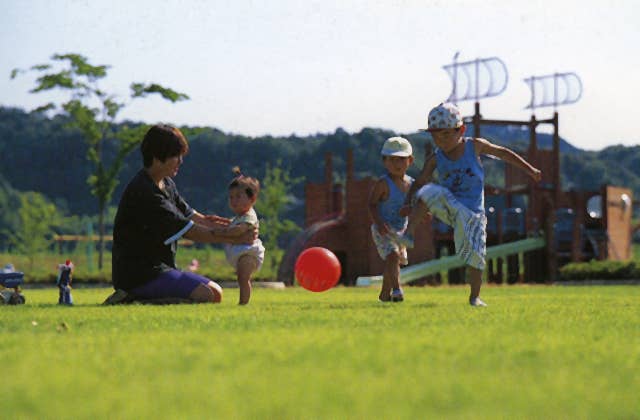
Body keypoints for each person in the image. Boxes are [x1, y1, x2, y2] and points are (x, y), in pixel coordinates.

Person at [397, 102, 542, 306]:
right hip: (450, 205)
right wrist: (407, 203)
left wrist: (530, 170)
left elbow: (503, 153)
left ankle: (475, 297)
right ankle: (408, 235)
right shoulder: (436, 158)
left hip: (473, 213)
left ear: (461, 130)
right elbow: (419, 181)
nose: (441, 141)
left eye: (446, 135)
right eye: (436, 136)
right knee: (427, 190)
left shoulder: (474, 146)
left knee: (476, 257)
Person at [106, 124, 256, 305]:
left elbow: (193, 217)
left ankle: (138, 298)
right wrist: (233, 239)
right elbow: (189, 230)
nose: (180, 161)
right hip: (139, 275)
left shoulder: (166, 184)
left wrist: (236, 228)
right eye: (176, 156)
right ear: (157, 157)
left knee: (215, 293)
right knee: (206, 295)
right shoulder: (145, 192)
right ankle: (131, 299)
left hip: (162, 269)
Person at [368, 136, 415, 302]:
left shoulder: (411, 185)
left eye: (401, 159)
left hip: (401, 231)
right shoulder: (383, 183)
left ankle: (384, 294)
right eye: (392, 160)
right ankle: (397, 290)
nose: (397, 164)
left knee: (394, 262)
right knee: (393, 256)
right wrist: (379, 223)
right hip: (383, 229)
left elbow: (416, 205)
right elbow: (372, 204)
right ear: (384, 161)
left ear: (410, 160)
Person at [220, 167, 265, 305]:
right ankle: (243, 302)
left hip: (249, 253)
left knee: (243, 278)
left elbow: (239, 230)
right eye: (231, 197)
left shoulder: (249, 216)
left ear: (252, 199)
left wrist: (219, 233)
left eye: (238, 196)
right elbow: (233, 224)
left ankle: (243, 303)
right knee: (241, 278)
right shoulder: (239, 216)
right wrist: (220, 221)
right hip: (242, 253)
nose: (234, 200)